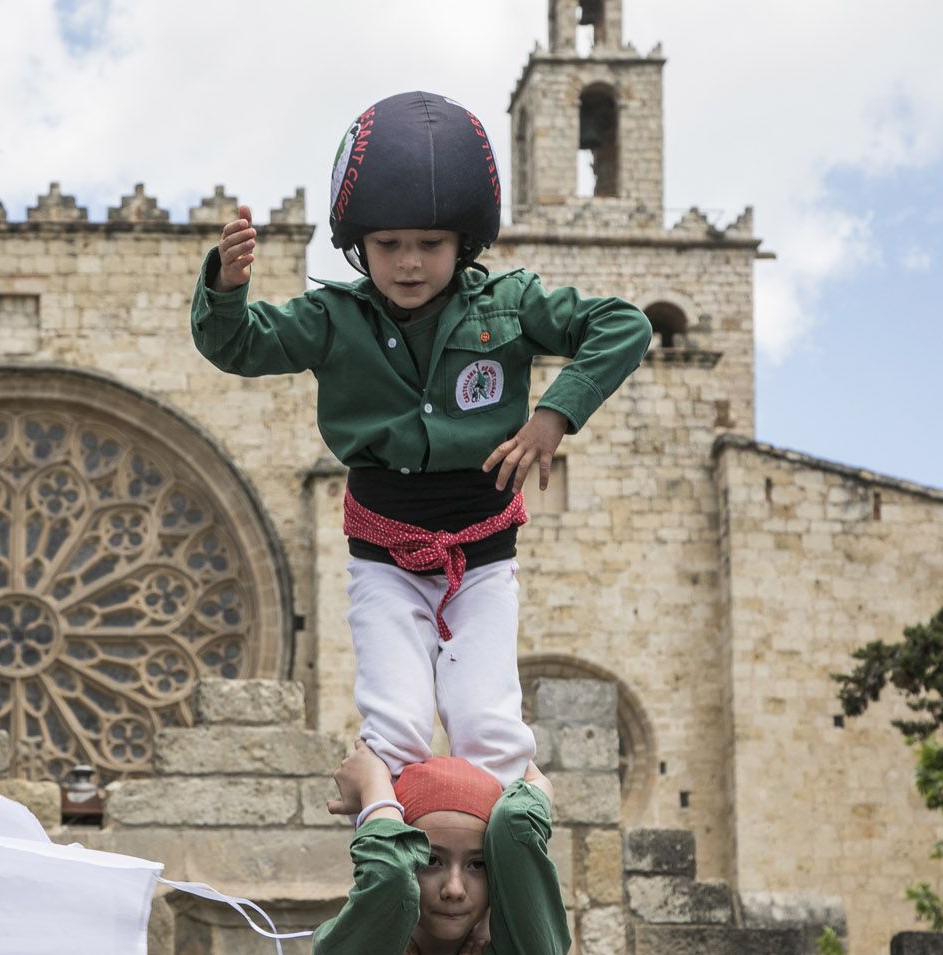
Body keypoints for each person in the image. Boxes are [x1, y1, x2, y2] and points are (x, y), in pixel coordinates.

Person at [190, 90, 651, 789]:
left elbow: (624, 325)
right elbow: (239, 346)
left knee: (489, 726)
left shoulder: (512, 304)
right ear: (358, 245)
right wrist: (226, 286)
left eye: (430, 244)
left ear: (463, 242)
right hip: (383, 556)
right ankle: (389, 856)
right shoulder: (330, 318)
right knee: (395, 727)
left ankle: (512, 857)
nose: (409, 262)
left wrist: (554, 414)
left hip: (484, 555)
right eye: (389, 245)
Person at [314, 740, 568, 955]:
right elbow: (389, 876)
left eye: (478, 865)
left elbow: (516, 823)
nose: (454, 889)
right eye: (431, 860)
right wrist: (374, 785)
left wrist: (534, 778)